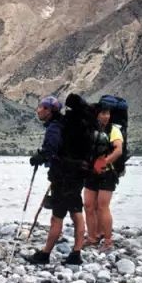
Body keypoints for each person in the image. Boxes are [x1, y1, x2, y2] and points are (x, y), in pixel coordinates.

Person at [27, 94, 88, 266]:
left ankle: (45, 254)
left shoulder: (54, 127)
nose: (38, 110)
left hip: (63, 177)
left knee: (57, 217)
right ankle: (76, 253)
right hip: (78, 174)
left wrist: (38, 158)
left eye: (41, 107)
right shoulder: (68, 125)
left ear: (49, 110)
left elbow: (51, 150)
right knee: (76, 212)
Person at [83, 101, 124, 253]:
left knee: (102, 207)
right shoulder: (90, 130)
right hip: (91, 172)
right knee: (88, 205)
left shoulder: (114, 130)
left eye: (108, 113)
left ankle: (108, 241)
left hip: (107, 172)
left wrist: (104, 162)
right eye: (103, 113)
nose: (106, 116)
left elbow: (118, 150)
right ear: (96, 114)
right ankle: (92, 238)